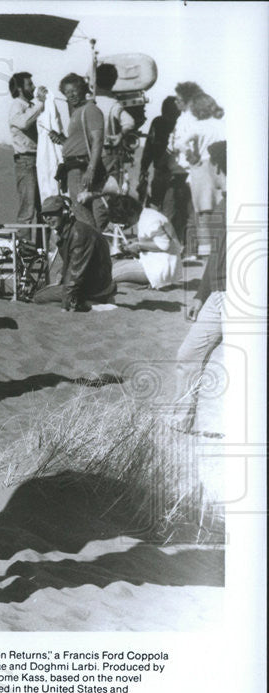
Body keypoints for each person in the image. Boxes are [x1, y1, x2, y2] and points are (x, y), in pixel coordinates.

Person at [172, 140, 227, 434]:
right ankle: (181, 424)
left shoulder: (244, 202)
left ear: (217, 167)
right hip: (217, 296)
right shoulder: (222, 204)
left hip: (239, 296)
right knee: (188, 354)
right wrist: (200, 295)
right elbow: (215, 257)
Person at [170, 88, 226, 260]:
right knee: (220, 205)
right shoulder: (221, 124)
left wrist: (190, 155)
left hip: (201, 166)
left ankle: (205, 247)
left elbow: (178, 144)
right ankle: (221, 245)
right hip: (221, 165)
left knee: (202, 210)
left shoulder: (197, 126)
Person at [33, 195, 115, 311]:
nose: (48, 219)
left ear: (64, 212)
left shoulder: (78, 234)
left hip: (96, 287)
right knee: (46, 293)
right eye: (45, 215)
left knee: (39, 298)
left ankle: (89, 304)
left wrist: (66, 306)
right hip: (97, 283)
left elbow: (75, 274)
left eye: (52, 214)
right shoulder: (72, 229)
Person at [50, 74, 108, 231]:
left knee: (81, 212)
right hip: (73, 168)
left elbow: (98, 141)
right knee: (82, 211)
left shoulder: (91, 110)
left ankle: (93, 246)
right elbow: (79, 142)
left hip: (81, 168)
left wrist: (91, 169)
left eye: (74, 90)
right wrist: (62, 140)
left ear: (82, 89)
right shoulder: (78, 112)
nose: (71, 95)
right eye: (67, 92)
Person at [138, 96, 191, 247]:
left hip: (163, 171)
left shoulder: (159, 122)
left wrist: (144, 167)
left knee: (160, 207)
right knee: (179, 210)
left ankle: (164, 241)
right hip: (180, 172)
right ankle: (178, 242)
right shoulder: (183, 124)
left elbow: (149, 146)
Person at [106, 194, 182, 289]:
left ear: (132, 213)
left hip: (159, 267)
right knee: (113, 270)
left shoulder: (150, 221)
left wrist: (138, 245)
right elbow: (157, 238)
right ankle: (149, 285)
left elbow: (165, 245)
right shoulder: (147, 214)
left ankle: (156, 283)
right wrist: (135, 242)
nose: (126, 223)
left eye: (126, 220)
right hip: (157, 262)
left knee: (110, 275)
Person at [7, 72, 47, 230]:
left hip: (38, 160)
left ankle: (40, 249)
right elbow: (23, 123)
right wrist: (40, 104)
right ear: (20, 88)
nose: (33, 87)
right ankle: (24, 250)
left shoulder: (31, 107)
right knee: (27, 210)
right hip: (26, 161)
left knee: (44, 208)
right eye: (29, 84)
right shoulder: (17, 106)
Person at [92, 63, 136, 193]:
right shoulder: (112, 103)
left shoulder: (89, 101)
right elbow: (130, 122)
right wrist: (120, 135)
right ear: (114, 81)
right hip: (107, 153)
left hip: (89, 152)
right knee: (108, 191)